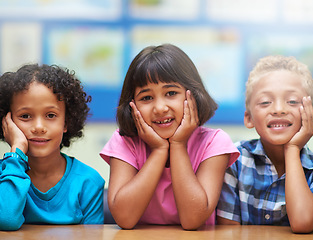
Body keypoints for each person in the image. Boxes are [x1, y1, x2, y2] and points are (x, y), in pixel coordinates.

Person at [100, 44, 239, 230]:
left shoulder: (214, 143)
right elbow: (124, 218)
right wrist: (159, 151)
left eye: (171, 93)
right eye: (146, 98)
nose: (160, 108)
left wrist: (178, 145)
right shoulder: (124, 141)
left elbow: (192, 220)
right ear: (132, 105)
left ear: (194, 96)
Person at [216, 55, 313, 233]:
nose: (278, 109)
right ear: (249, 118)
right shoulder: (233, 160)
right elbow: (228, 232)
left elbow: (303, 221)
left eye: (292, 101)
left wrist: (292, 149)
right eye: (265, 102)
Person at [0, 64, 105, 230]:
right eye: (25, 116)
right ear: (7, 123)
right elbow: (6, 220)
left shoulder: (88, 181)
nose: (38, 127)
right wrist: (17, 150)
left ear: (66, 122)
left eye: (50, 115)